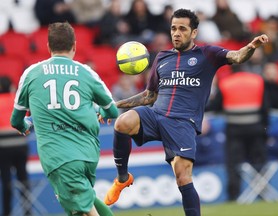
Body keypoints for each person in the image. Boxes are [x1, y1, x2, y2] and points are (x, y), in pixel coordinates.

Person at [102, 8, 269, 216]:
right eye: (173, 28)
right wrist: (115, 106)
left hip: (182, 122)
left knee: (182, 177)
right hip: (156, 115)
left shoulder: (208, 54)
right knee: (122, 123)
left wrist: (251, 47)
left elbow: (236, 56)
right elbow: (149, 96)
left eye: (182, 28)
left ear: (194, 33)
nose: (176, 33)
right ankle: (122, 178)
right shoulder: (162, 58)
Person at [10, 22, 118, 216]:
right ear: (74, 46)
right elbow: (112, 112)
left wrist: (26, 125)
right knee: (82, 205)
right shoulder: (87, 72)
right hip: (88, 154)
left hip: (59, 157)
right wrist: (101, 114)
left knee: (84, 210)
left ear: (48, 47)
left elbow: (16, 120)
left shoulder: (32, 73)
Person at [205, 70, 269, 201]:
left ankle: (233, 196)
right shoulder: (258, 81)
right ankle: (262, 194)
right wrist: (264, 129)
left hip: (234, 131)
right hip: (256, 129)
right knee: (259, 162)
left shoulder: (226, 83)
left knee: (234, 165)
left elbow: (216, 106)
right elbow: (265, 108)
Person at [0, 76, 32, 216]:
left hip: (3, 148)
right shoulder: (17, 100)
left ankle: (7, 212)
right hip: (21, 145)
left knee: (6, 181)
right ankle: (28, 211)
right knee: (23, 178)